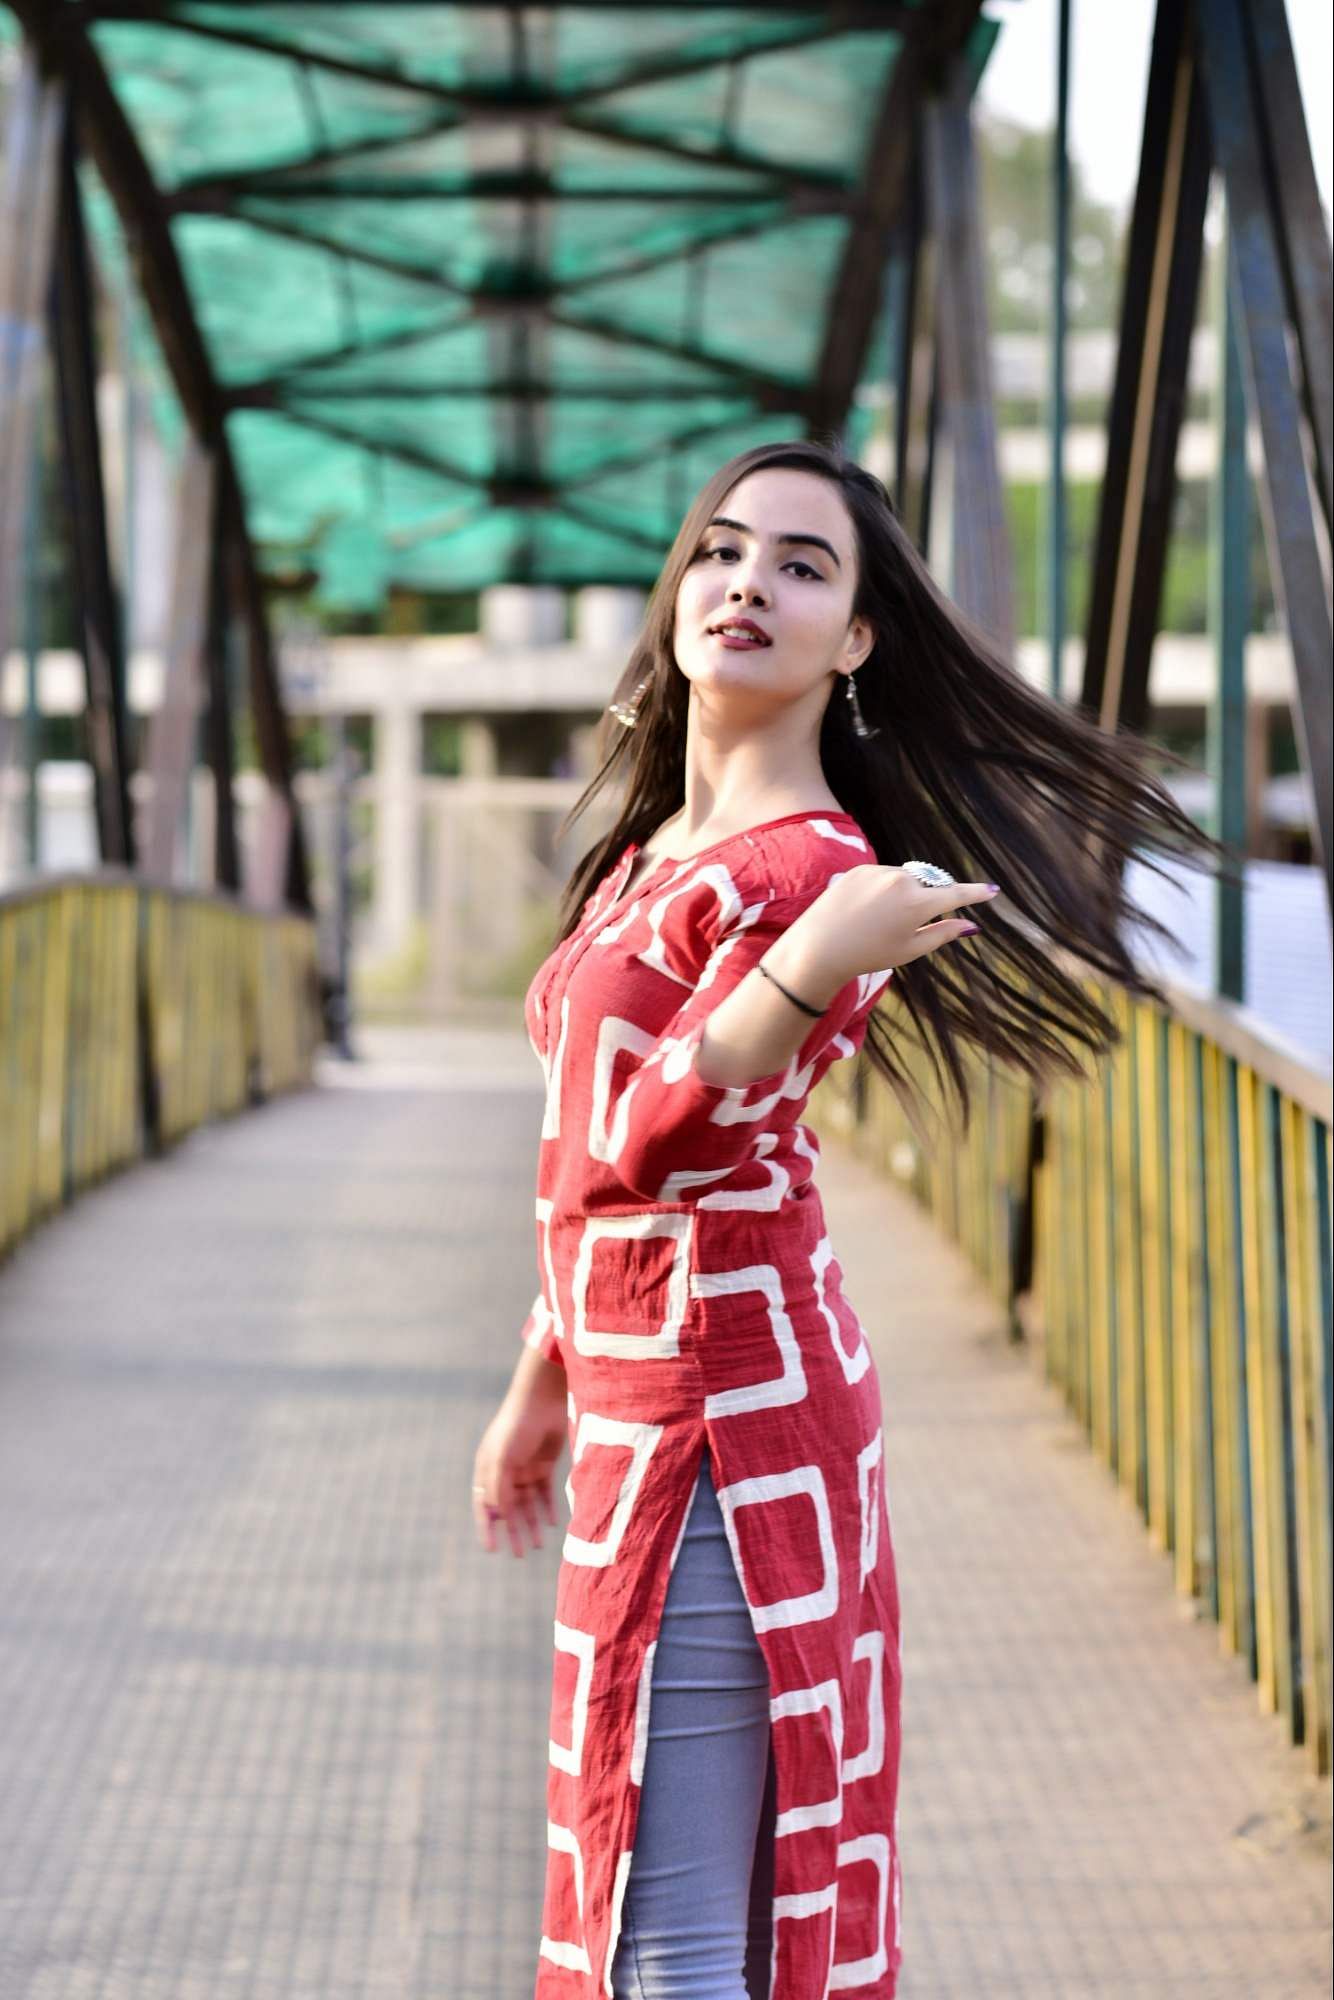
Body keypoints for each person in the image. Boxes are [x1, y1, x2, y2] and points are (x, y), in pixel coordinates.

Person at [471, 440, 1227, 2000]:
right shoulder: (645, 857)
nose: (747, 583)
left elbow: (660, 1144)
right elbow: (577, 1145)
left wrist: (814, 962)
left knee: (670, 1926)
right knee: (644, 1871)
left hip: (729, 1430)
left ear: (857, 640)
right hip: (631, 1408)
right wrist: (540, 1375)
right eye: (721, 551)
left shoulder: (825, 878)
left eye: (801, 567)